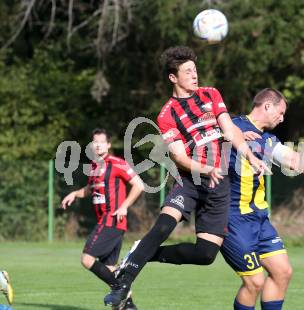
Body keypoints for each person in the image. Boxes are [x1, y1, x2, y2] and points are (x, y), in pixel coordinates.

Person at [104, 46, 268, 308]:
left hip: (218, 186)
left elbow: (229, 129)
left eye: (195, 69)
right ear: (173, 77)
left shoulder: (210, 94)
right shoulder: (167, 114)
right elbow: (180, 158)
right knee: (163, 227)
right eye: (188, 71)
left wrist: (249, 155)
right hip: (189, 182)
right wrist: (207, 169)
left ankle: (144, 253)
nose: (195, 75)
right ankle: (122, 283)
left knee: (205, 255)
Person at [221, 88, 304, 310]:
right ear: (267, 106)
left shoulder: (268, 140)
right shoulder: (232, 125)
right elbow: (203, 132)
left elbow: (301, 165)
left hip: (260, 220)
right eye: (280, 113)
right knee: (255, 283)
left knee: (283, 272)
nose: (282, 119)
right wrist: (232, 135)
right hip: (234, 218)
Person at [61, 128, 144, 310]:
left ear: (108, 145)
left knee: (87, 259)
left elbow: (139, 184)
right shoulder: (93, 167)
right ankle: (128, 305)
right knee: (109, 269)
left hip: (111, 220)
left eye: (101, 142)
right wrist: (75, 193)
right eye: (95, 142)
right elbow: (90, 189)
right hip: (109, 223)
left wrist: (124, 206)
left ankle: (120, 288)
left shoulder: (117, 163)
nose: (97, 145)